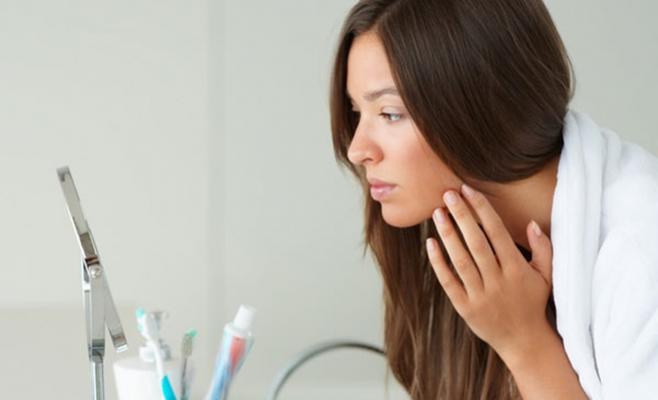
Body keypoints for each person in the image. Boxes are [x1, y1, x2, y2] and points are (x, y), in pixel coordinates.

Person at [329, 1, 658, 399]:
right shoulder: (474, 251)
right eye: (356, 112)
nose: (357, 150)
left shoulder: (641, 256)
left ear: (480, 108)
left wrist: (524, 342)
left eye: (390, 114)